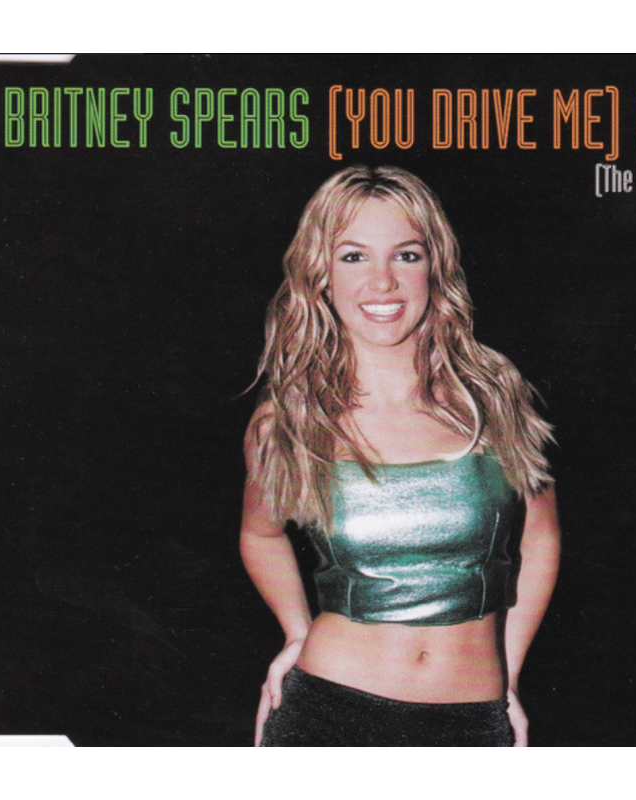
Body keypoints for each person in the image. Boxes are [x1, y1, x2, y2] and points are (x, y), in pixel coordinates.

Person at [239, 165, 560, 747]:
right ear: (320, 274)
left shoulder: (494, 397)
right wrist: (295, 632)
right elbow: (260, 533)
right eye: (354, 257)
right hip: (326, 716)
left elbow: (540, 538)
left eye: (406, 255)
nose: (383, 282)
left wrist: (509, 676)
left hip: (471, 721)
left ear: (435, 266)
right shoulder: (288, 421)